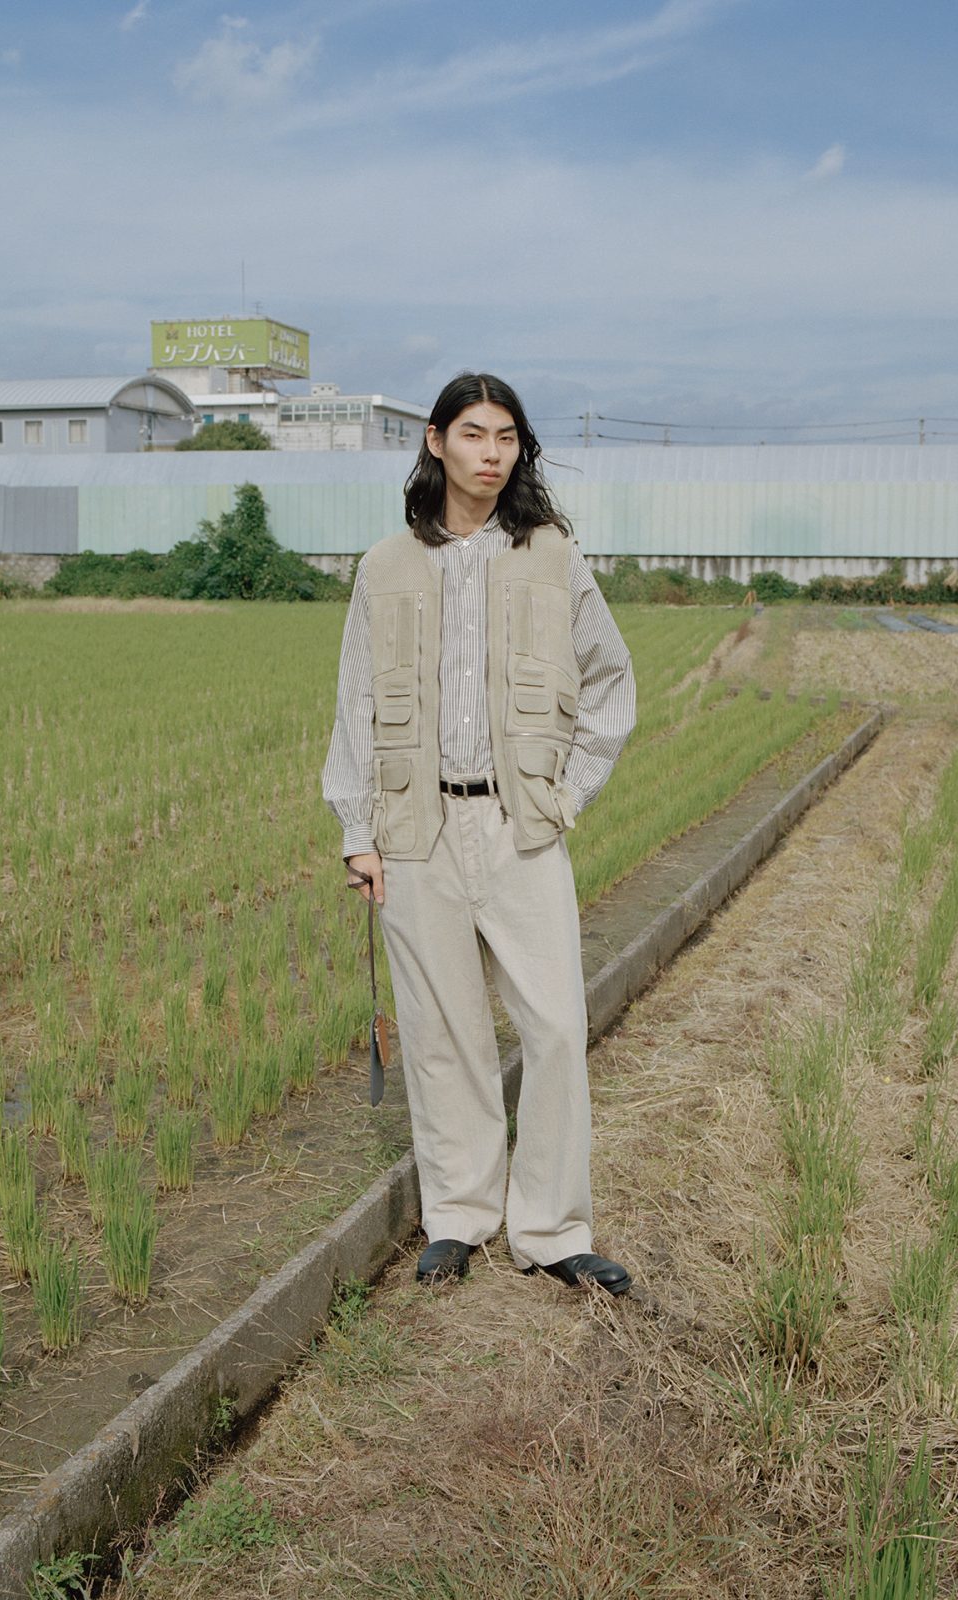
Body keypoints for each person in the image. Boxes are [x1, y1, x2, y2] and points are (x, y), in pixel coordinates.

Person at [322, 372, 636, 1292]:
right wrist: (358, 831)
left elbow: (611, 683)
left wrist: (566, 792)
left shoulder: (553, 556)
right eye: (473, 434)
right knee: (441, 1032)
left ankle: (553, 1230)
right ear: (436, 441)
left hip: (518, 827)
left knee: (556, 1027)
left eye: (506, 437)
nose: (491, 453)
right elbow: (354, 705)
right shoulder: (384, 567)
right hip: (415, 828)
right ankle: (459, 1215)